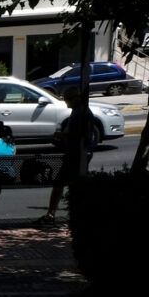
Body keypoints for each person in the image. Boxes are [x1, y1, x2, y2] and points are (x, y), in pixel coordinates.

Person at [35, 87, 95, 226]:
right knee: (71, 182)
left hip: (76, 153)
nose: (66, 103)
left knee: (61, 182)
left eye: (67, 100)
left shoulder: (80, 112)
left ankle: (52, 214)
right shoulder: (79, 111)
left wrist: (62, 135)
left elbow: (78, 134)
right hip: (77, 152)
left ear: (75, 99)